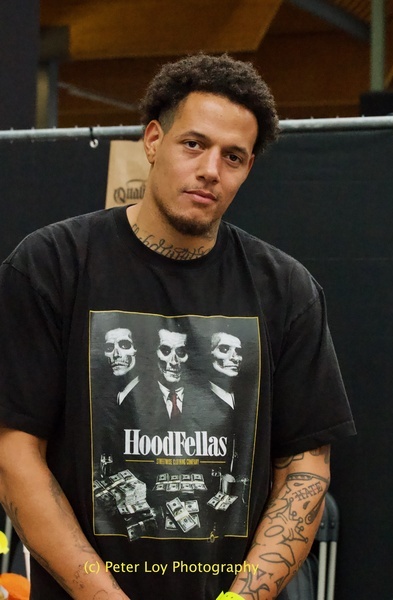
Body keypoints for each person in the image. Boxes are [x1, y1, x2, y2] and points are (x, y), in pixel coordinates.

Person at [0, 53, 356, 600]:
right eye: (194, 144)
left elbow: (306, 469)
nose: (211, 169)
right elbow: (14, 453)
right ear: (152, 140)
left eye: (233, 156)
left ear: (247, 169)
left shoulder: (287, 289)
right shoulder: (52, 265)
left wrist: (241, 598)